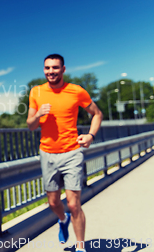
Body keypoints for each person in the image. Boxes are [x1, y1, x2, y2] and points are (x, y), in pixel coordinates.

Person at [26, 54, 103, 252]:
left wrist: (90, 135)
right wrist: (37, 114)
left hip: (72, 152)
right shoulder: (36, 91)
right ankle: (62, 219)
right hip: (47, 153)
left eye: (55, 67)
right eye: (47, 68)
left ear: (63, 69)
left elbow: (97, 113)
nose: (51, 71)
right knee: (53, 202)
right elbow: (30, 125)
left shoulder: (76, 91)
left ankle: (80, 246)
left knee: (73, 203)